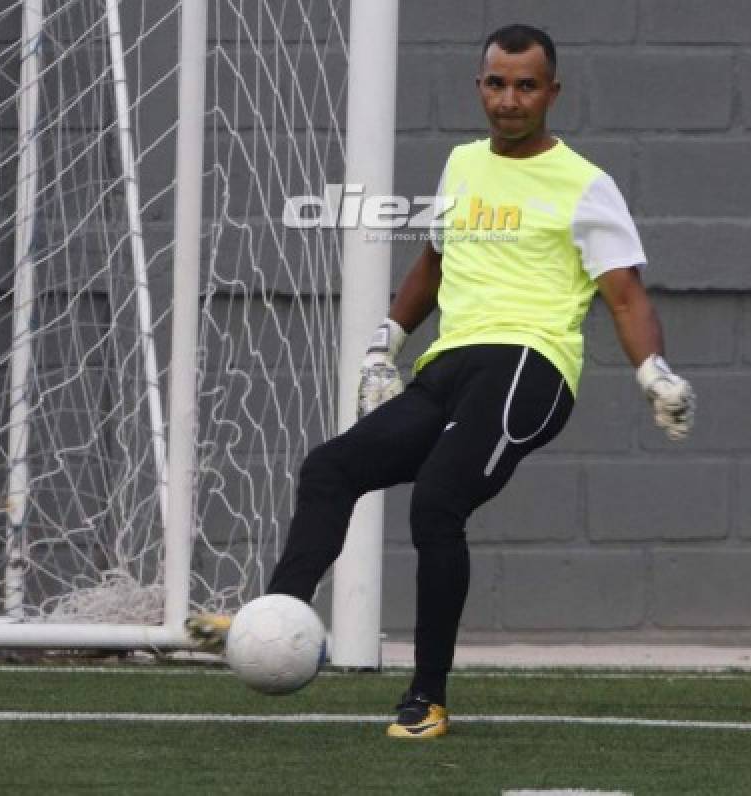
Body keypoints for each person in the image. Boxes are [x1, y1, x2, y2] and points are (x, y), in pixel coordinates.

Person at [194, 23, 695, 739]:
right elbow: (432, 264)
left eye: (526, 85)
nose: (510, 99)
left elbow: (624, 294)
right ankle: (276, 621)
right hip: (449, 367)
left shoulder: (586, 184)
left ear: (552, 92)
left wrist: (654, 372)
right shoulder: (462, 165)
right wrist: (384, 346)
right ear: (480, 86)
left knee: (436, 504)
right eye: (497, 83)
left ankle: (426, 698)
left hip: (529, 366)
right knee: (331, 467)